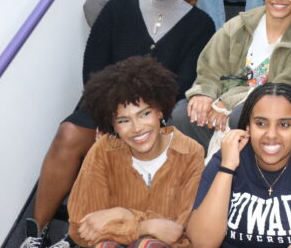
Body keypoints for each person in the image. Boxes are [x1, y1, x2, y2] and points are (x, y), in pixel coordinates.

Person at [20, 0, 214, 248]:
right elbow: (93, 67)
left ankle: (88, 235)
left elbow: (186, 81)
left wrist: (141, 118)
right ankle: (36, 232)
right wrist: (109, 118)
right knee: (68, 132)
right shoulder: (116, 8)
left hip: (156, 120)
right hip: (106, 109)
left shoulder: (201, 24)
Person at [172, 0, 291, 148]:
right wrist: (204, 94)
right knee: (181, 114)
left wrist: (228, 103)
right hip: (222, 106)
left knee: (245, 115)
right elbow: (210, 69)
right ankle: (204, 170)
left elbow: (281, 92)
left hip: (270, 115)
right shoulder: (238, 26)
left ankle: (235, 171)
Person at [187, 83, 291, 248]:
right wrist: (226, 169)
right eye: (261, 123)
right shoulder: (227, 158)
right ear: (248, 128)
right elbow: (203, 243)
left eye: (284, 125)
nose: (272, 135)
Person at [67, 56, 205, 248]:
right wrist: (145, 226)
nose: (137, 128)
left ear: (160, 111)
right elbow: (79, 228)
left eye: (144, 114)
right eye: (124, 121)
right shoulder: (104, 151)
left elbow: (177, 232)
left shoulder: (190, 153)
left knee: (147, 245)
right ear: (112, 124)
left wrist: (120, 215)